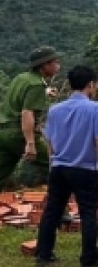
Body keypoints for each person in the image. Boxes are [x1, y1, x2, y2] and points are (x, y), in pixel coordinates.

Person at [33, 66, 98, 267]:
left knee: (52, 211)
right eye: (95, 85)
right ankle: (89, 259)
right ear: (91, 85)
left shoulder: (55, 110)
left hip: (59, 167)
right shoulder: (95, 109)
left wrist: (53, 162)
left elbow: (50, 141)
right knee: (88, 212)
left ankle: (43, 254)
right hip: (84, 168)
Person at [0, 46, 62, 187]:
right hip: (18, 135)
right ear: (45, 65)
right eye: (55, 62)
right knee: (54, 165)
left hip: (3, 133)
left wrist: (45, 92)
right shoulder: (36, 85)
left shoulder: (21, 78)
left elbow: (20, 98)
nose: (58, 66)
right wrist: (30, 143)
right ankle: (60, 208)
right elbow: (27, 113)